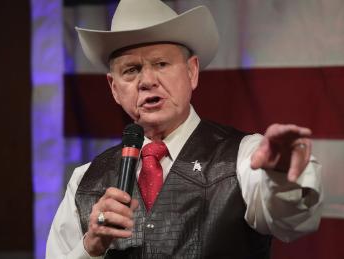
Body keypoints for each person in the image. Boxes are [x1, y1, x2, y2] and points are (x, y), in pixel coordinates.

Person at [46, 0, 323, 258]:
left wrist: (282, 178)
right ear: (114, 88)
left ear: (192, 72)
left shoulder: (244, 156)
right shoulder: (86, 181)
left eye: (161, 64)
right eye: (131, 70)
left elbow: (291, 221)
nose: (147, 81)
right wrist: (90, 247)